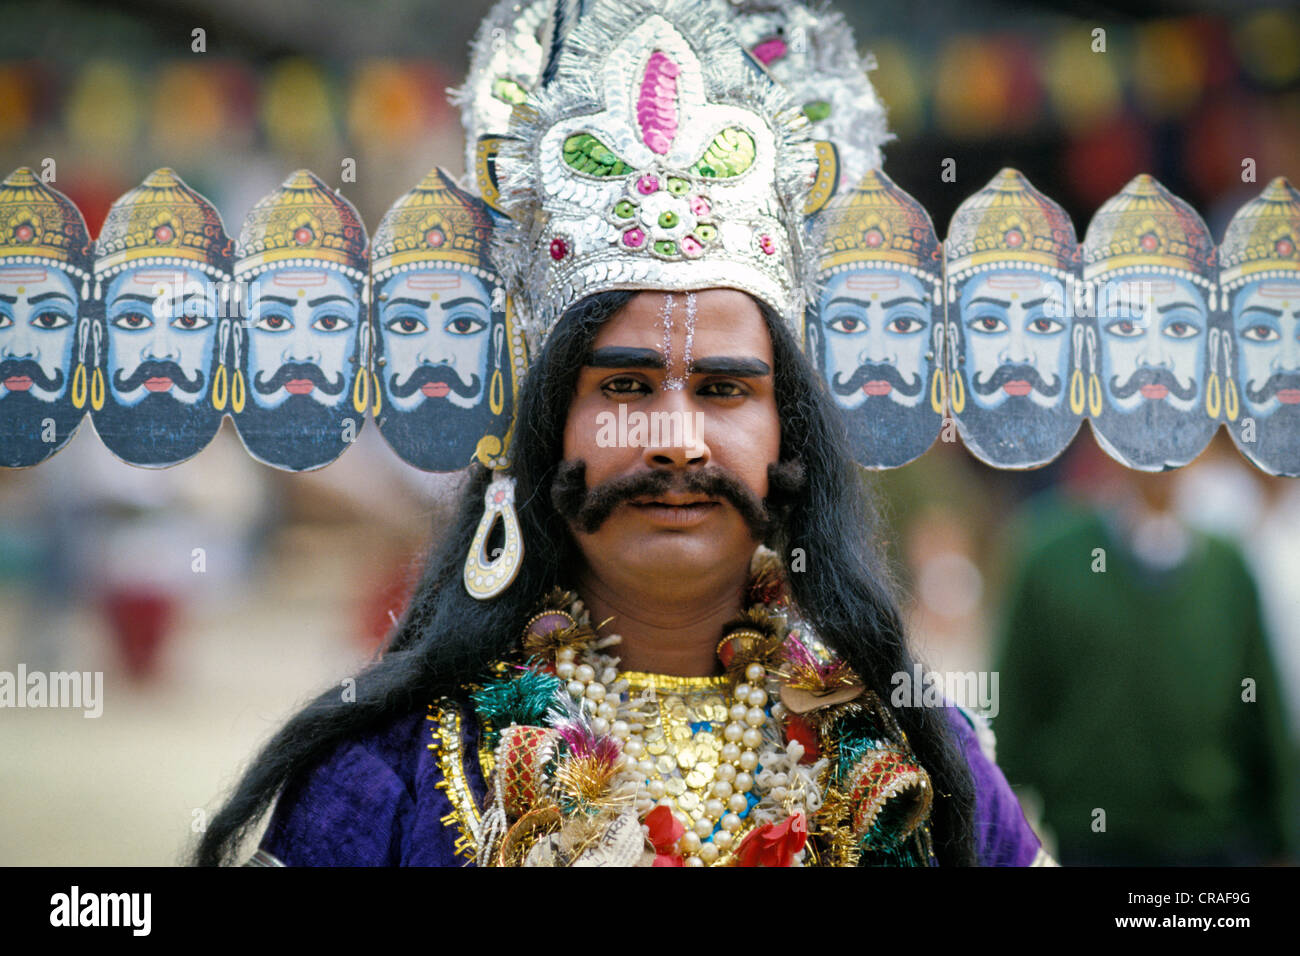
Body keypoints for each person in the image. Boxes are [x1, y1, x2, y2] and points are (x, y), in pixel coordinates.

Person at [195, 0, 1050, 867]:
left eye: (723, 390)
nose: (677, 440)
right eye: (626, 386)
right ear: (544, 429)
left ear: (789, 438)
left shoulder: (920, 767)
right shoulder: (388, 771)